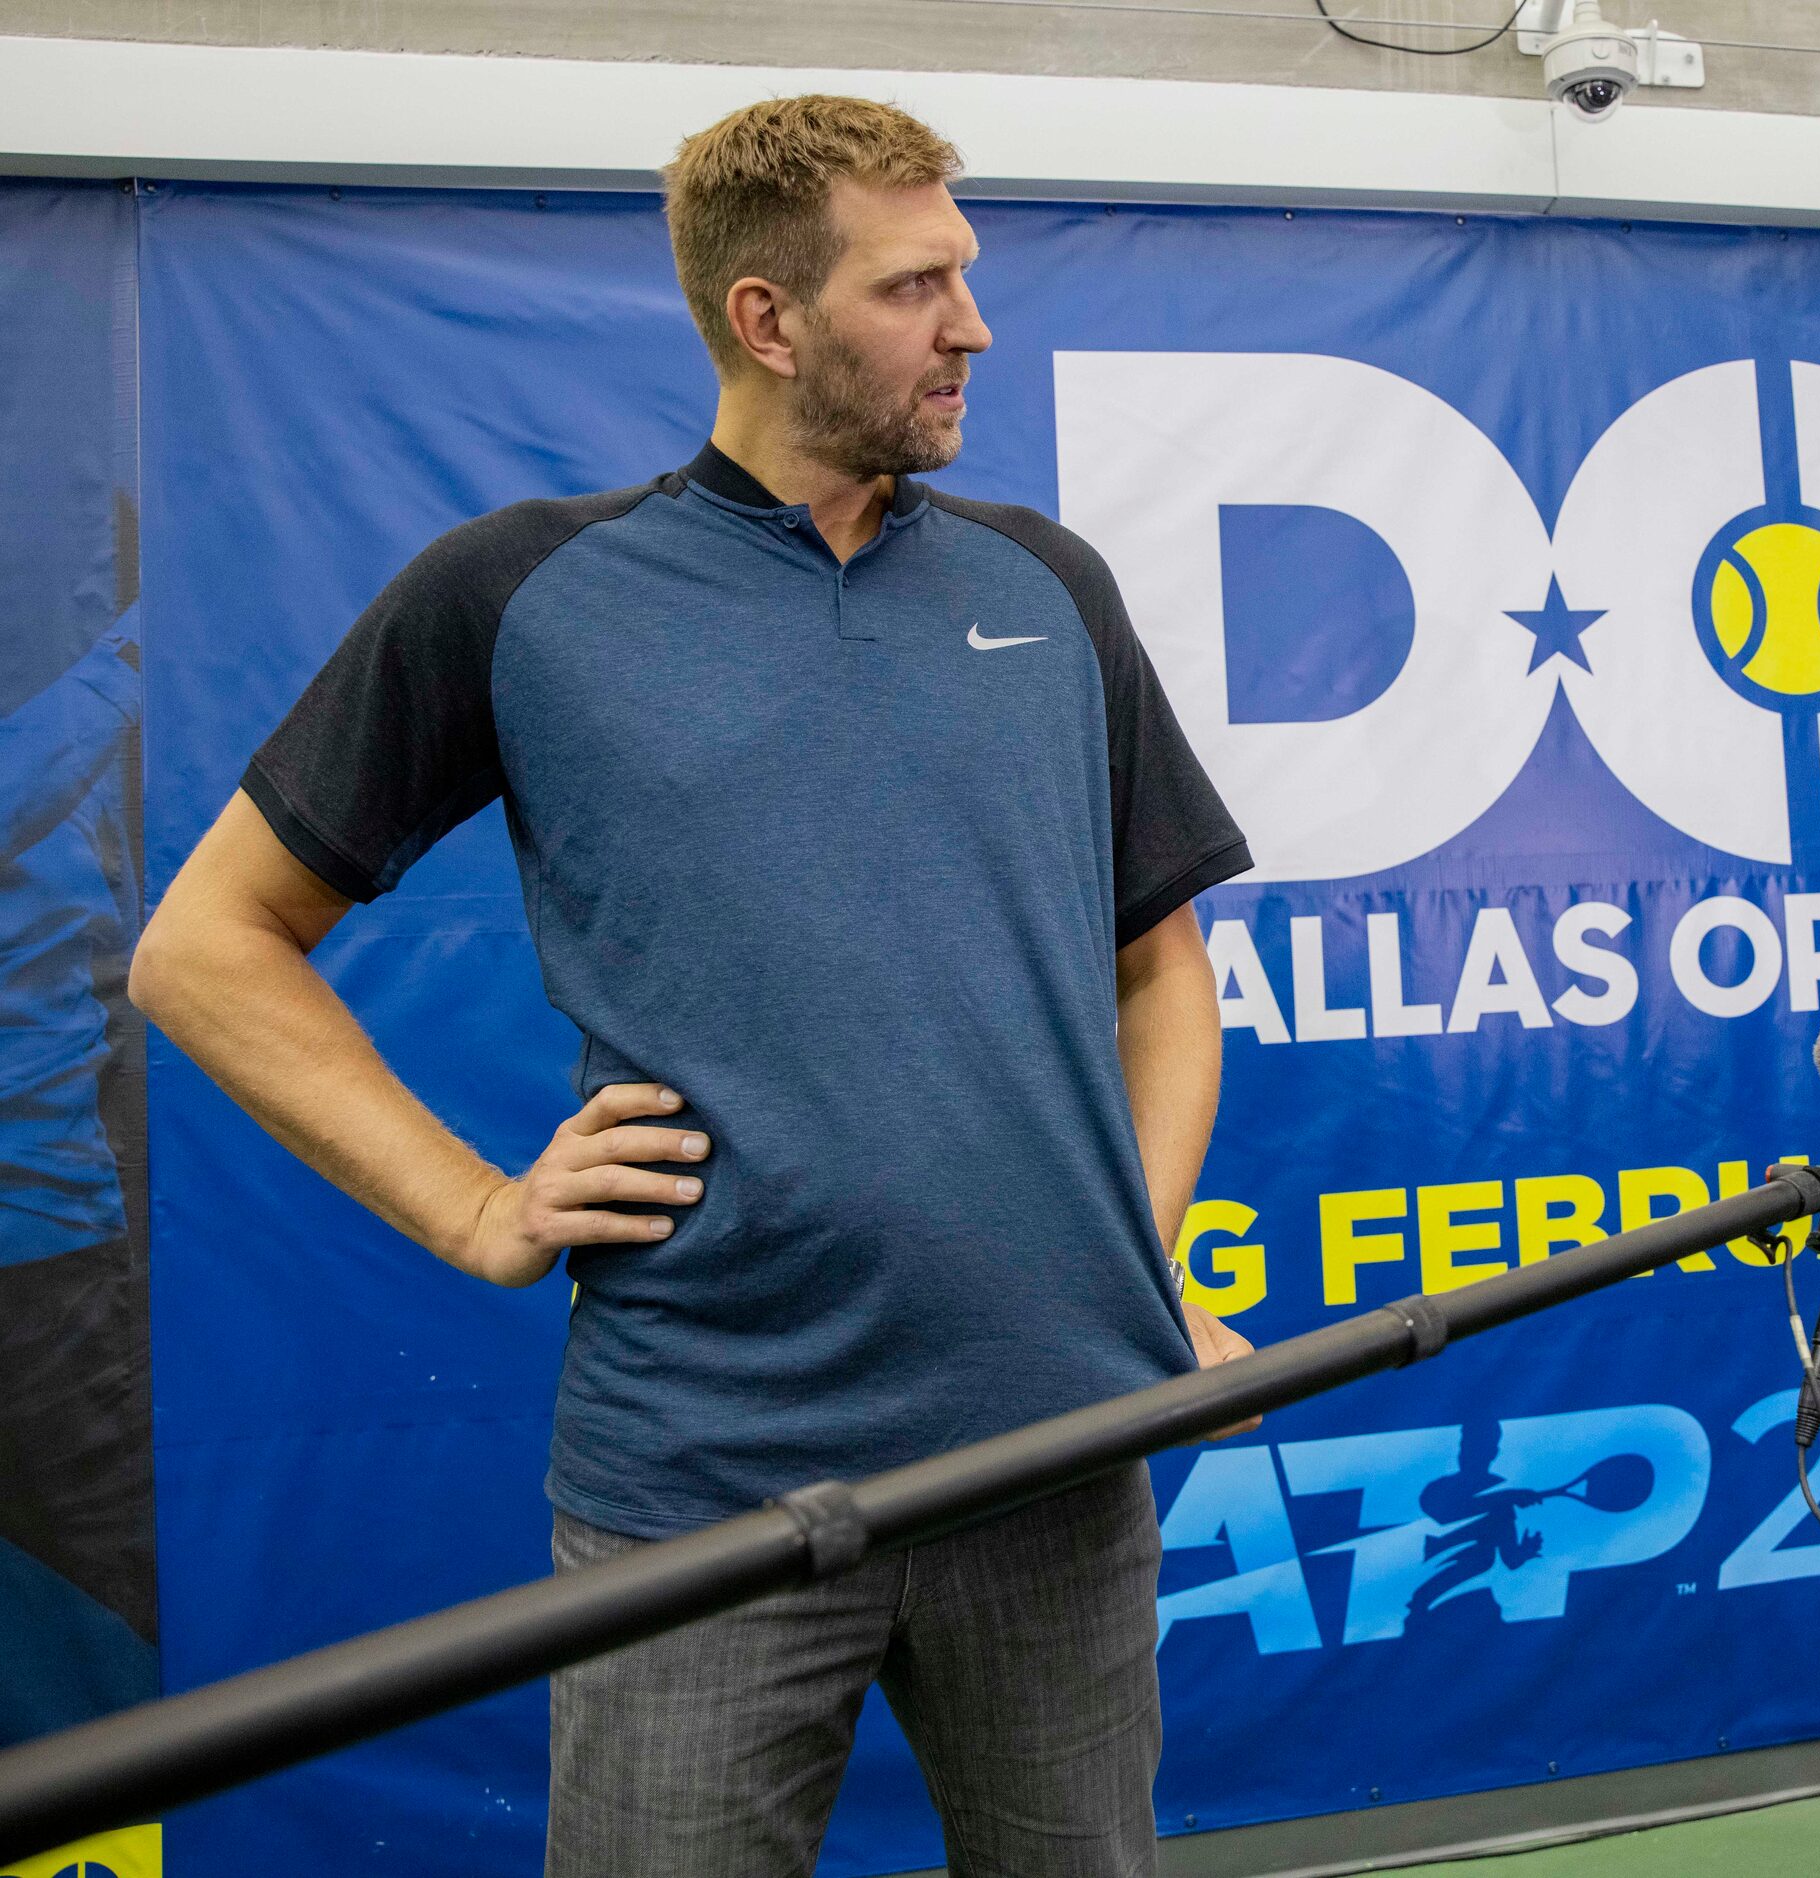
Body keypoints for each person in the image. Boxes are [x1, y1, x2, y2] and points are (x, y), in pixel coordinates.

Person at [129, 95, 1253, 1878]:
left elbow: (1162, 971)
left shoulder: (1051, 589)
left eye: (967, 272)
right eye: (916, 287)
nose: (974, 323)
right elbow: (202, 948)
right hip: (705, 1488)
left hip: (1059, 1462)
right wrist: (481, 1206)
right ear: (766, 317)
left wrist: (1138, 1251)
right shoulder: (524, 594)